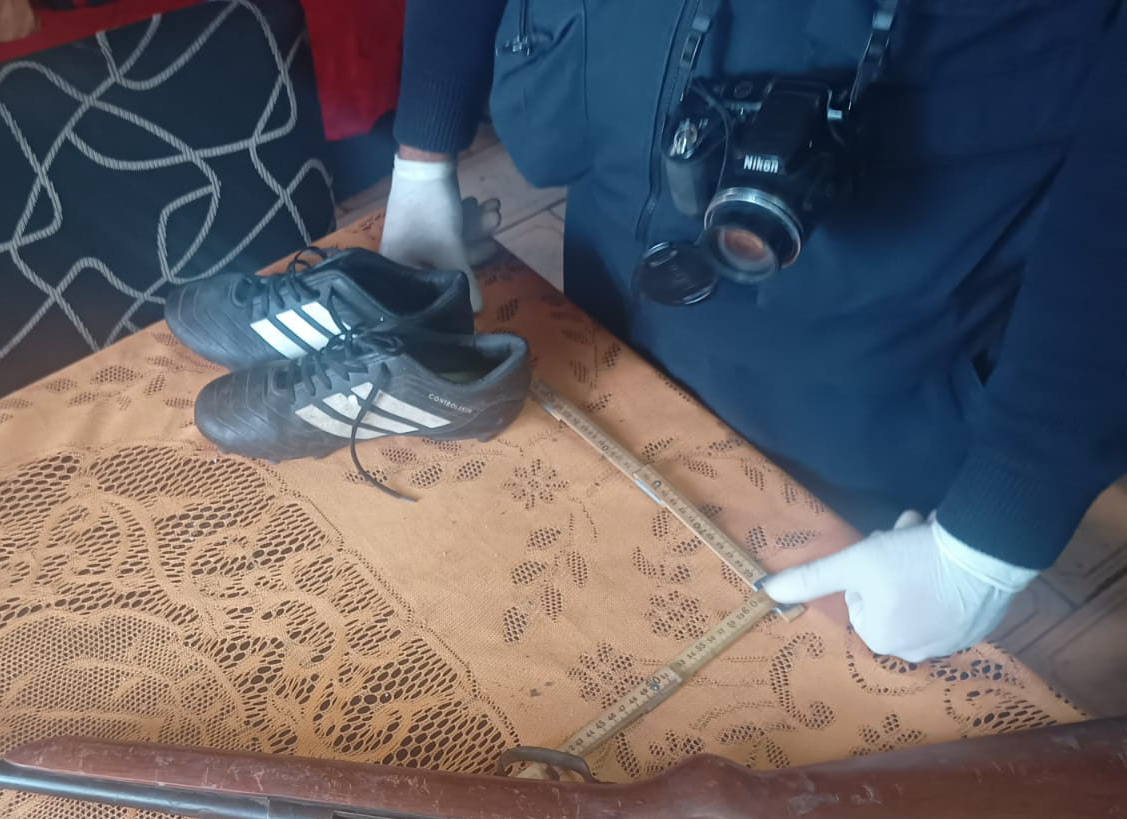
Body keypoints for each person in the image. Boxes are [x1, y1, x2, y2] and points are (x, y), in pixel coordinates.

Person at [379, 0, 1127, 663]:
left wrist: (996, 536)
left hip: (873, 372)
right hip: (613, 256)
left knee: (810, 667)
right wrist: (422, 156)